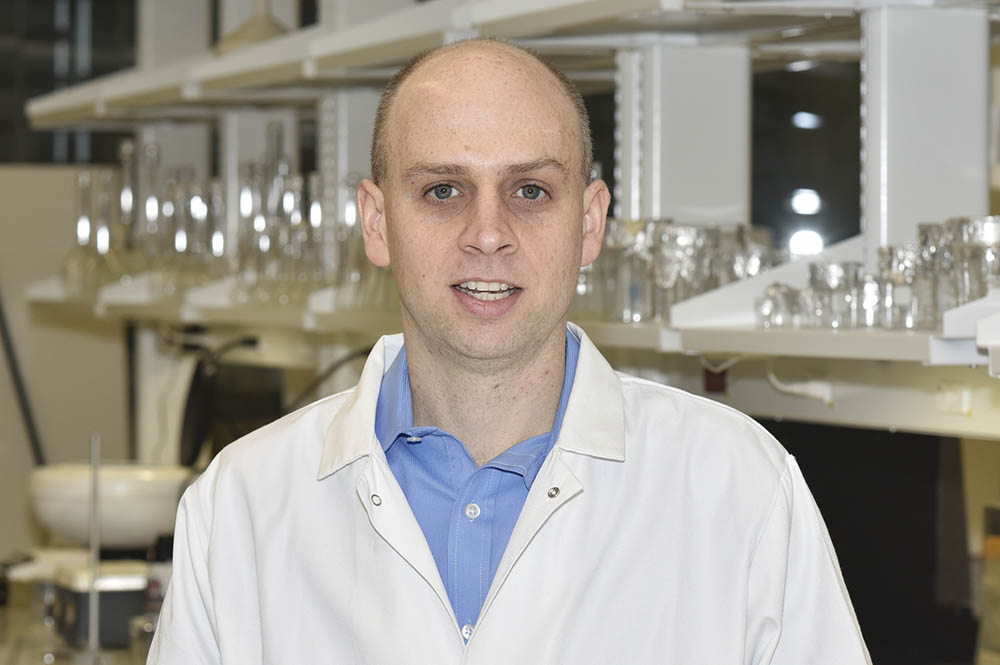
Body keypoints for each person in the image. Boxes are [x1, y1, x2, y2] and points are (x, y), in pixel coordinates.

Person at [148, 38, 871, 664]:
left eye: (530, 189)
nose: (487, 232)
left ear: (589, 223)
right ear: (376, 222)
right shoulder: (240, 505)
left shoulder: (738, 487)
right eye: (441, 190)